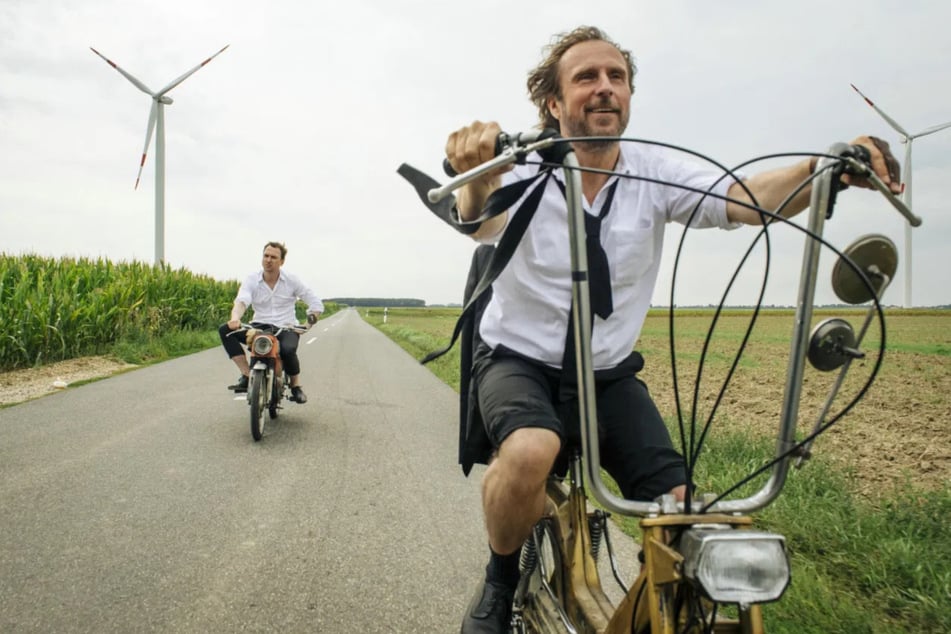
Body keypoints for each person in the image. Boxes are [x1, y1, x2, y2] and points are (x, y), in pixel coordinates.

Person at [443, 26, 902, 634]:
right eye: (586, 77)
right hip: (518, 361)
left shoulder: (653, 171)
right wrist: (477, 169)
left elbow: (742, 197)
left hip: (607, 372)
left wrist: (823, 168)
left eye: (617, 77)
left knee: (686, 516)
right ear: (553, 104)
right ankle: (500, 581)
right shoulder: (522, 165)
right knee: (531, 451)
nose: (605, 88)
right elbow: (476, 218)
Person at [218, 241, 323, 404]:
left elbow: (316, 304)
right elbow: (242, 301)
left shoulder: (292, 280)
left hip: (286, 326)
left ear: (281, 262)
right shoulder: (252, 279)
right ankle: (246, 375)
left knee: (288, 350)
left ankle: (296, 386)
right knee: (225, 330)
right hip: (259, 326)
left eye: (273, 257)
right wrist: (235, 318)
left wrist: (307, 325)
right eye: (266, 256)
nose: (268, 260)